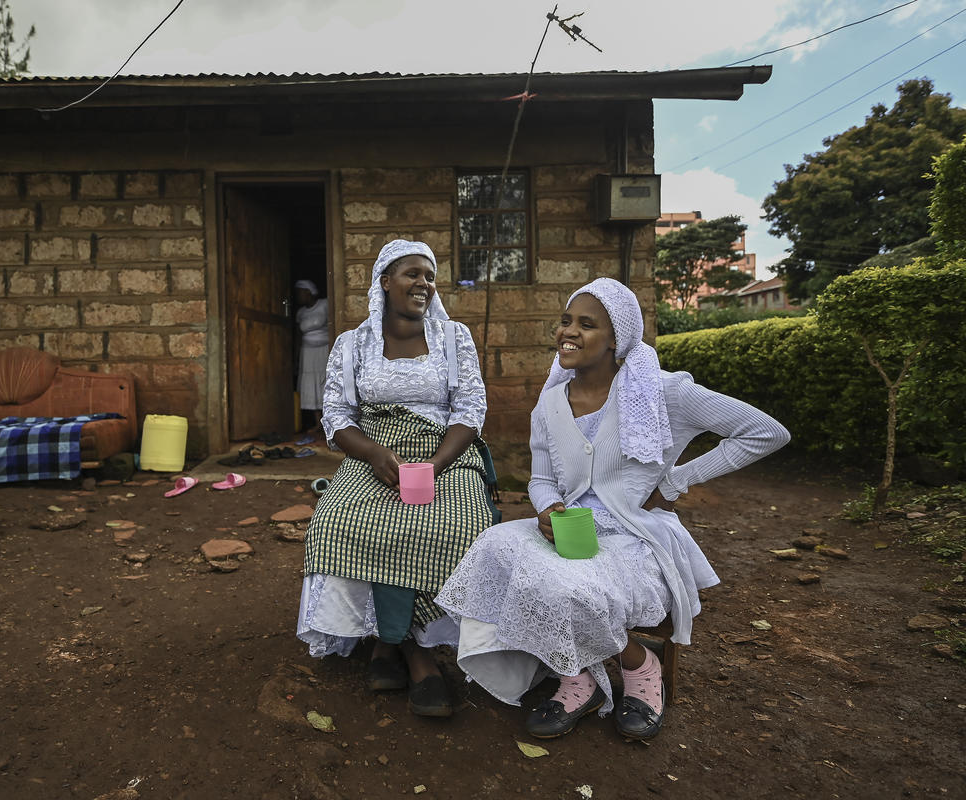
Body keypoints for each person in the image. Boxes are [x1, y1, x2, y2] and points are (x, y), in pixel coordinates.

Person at [435, 277, 790, 741]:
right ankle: (578, 678)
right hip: (571, 527)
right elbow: (541, 478)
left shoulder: (662, 394)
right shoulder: (549, 402)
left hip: (632, 535)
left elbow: (765, 431)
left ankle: (641, 669)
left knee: (568, 587)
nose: (570, 332)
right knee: (492, 546)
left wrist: (677, 479)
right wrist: (549, 507)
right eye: (566, 321)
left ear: (617, 340)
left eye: (587, 324)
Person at [297, 239, 495, 718]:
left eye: (429, 275)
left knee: (457, 526)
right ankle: (400, 645)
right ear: (384, 282)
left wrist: (435, 465)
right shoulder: (352, 343)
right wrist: (372, 452)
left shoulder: (453, 337)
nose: (423, 283)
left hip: (444, 452)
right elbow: (339, 416)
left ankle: (401, 645)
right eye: (412, 273)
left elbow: (470, 409)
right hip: (374, 454)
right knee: (338, 522)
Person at [294, 279, 330, 434]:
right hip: (307, 352)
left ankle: (329, 422)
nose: (298, 296)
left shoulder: (324, 304)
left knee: (324, 381)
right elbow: (297, 335)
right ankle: (318, 423)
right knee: (310, 384)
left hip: (324, 350)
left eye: (300, 293)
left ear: (309, 292)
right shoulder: (300, 312)